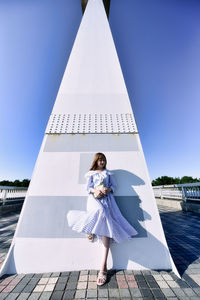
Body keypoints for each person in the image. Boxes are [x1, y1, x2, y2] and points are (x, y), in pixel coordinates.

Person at [67, 152, 138, 285]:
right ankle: (90, 229)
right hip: (94, 199)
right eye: (100, 160)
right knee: (99, 212)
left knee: (107, 226)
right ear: (96, 161)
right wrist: (95, 191)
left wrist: (107, 190)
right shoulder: (91, 174)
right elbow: (87, 188)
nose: (102, 162)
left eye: (104, 160)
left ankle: (103, 267)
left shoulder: (109, 174)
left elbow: (114, 186)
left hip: (108, 200)